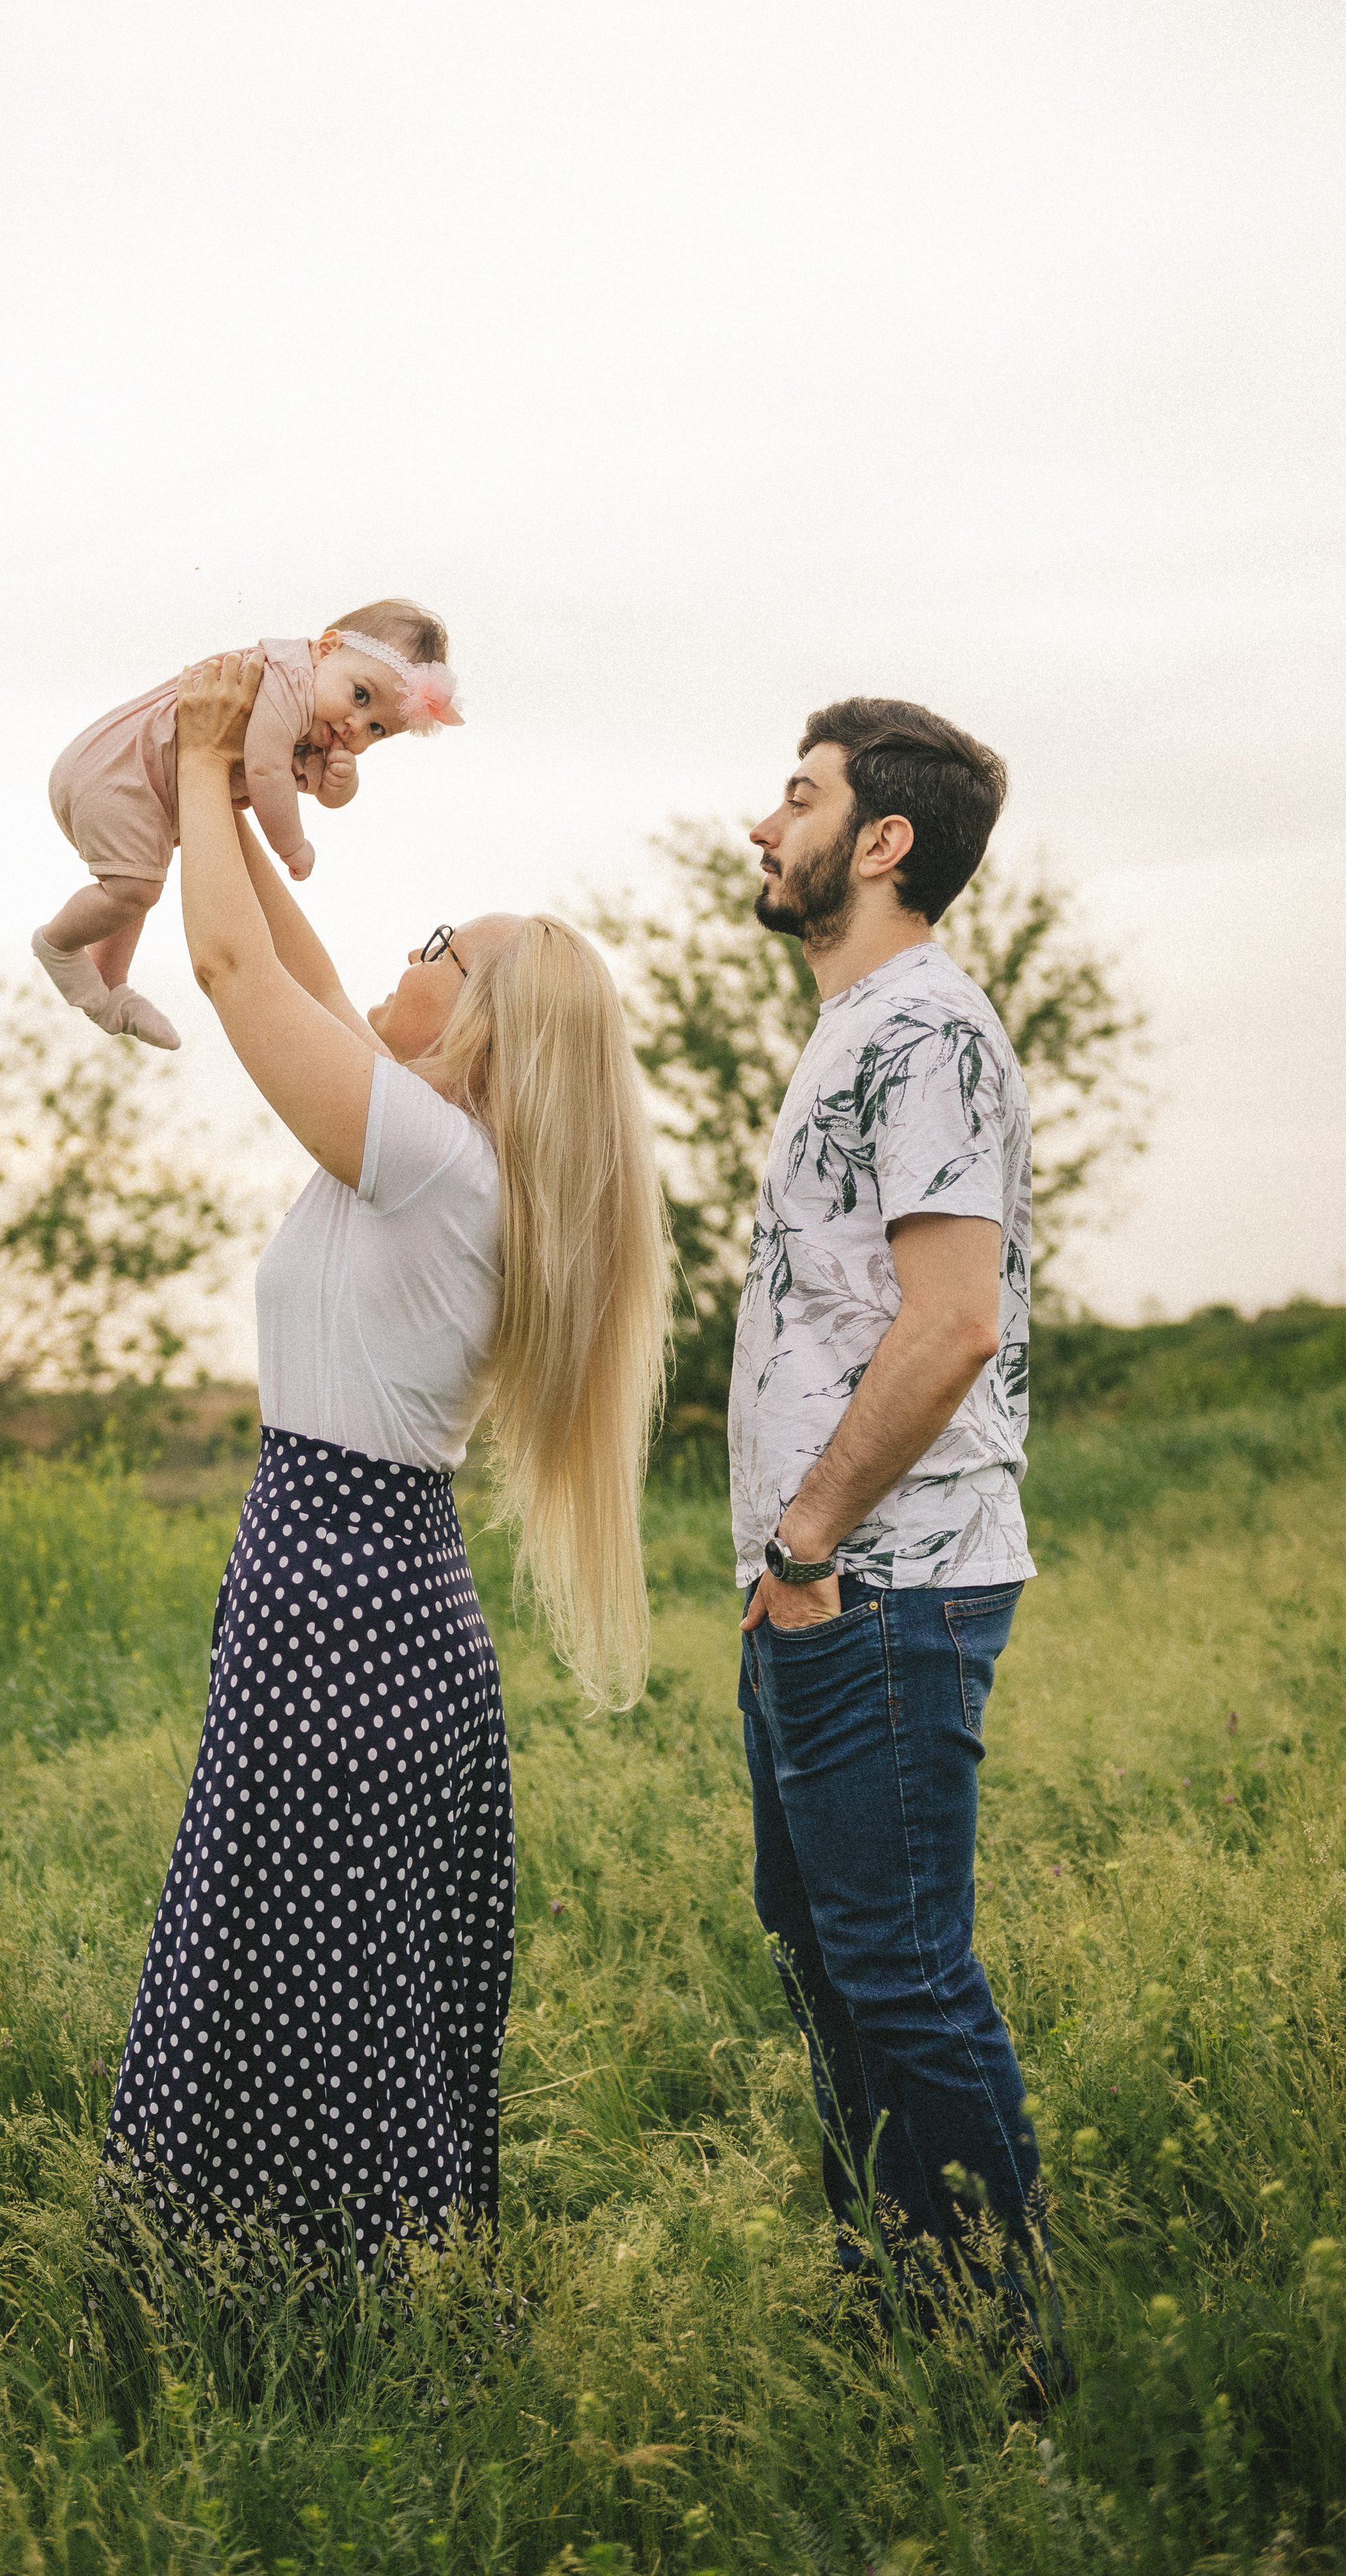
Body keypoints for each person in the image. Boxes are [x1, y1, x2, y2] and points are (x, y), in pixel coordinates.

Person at [97, 650, 669, 2295]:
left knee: (296, 1954)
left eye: (440, 947)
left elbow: (219, 961)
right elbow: (288, 950)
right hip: (369, 1584)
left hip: (339, 1587)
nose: (405, 955)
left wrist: (207, 750)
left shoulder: (419, 1152)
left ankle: (296, 2298)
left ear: (479, 1026)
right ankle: (337, 2293)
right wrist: (259, 767)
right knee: (317, 1954)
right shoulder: (428, 1143)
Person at [731, 696, 1054, 2345]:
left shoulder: (921, 1030)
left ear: (879, 841)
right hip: (819, 1584)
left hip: (880, 1583)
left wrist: (803, 1541)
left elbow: (950, 1322)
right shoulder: (852, 1027)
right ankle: (905, 2303)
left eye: (795, 797)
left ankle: (1009, 2347)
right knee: (830, 1957)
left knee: (903, 1971)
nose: (756, 826)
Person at [34, 600, 463, 1049]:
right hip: (114, 776)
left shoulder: (316, 714)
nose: (357, 725)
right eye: (360, 695)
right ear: (326, 650)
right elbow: (265, 773)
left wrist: (340, 783)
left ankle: (109, 987)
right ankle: (58, 945)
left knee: (140, 882)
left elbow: (309, 782)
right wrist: (292, 845)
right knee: (136, 890)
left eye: (378, 729)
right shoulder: (284, 683)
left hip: (136, 792)